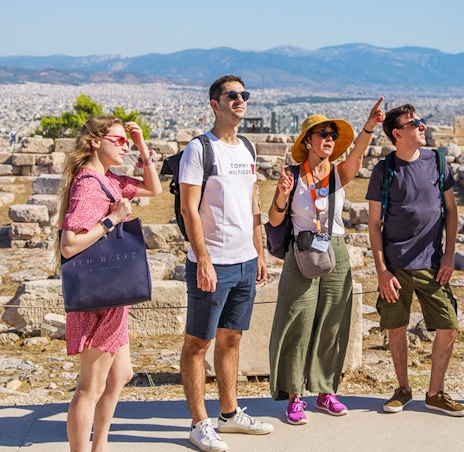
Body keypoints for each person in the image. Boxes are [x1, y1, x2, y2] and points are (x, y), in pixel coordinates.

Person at [269, 99, 385, 424]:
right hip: (302, 250)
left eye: (332, 133)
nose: (329, 138)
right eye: (322, 133)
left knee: (334, 320)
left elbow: (358, 155)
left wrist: (370, 125)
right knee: (297, 320)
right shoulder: (293, 175)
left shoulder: (337, 173)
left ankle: (324, 390)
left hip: (335, 247)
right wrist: (280, 196)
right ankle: (294, 396)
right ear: (308, 141)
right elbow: (275, 221)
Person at [179, 75, 274, 452]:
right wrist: (202, 258)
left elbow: (252, 205)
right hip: (212, 263)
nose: (240, 100)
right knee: (198, 343)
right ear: (214, 103)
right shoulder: (200, 149)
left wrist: (260, 253)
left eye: (244, 95)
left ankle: (229, 414)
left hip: (245, 262)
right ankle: (199, 423)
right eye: (231, 95)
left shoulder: (247, 147)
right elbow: (189, 207)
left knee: (232, 338)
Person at [58, 116, 162, 452]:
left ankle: (100, 446)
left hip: (112, 294)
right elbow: (69, 244)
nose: (125, 146)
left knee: (120, 375)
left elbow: (154, 188)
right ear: (94, 141)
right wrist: (112, 219)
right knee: (90, 385)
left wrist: (141, 142)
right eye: (118, 141)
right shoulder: (89, 185)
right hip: (98, 299)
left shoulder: (109, 179)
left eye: (125, 141)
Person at [366, 104, 463, 416]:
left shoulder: (437, 161)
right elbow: (373, 223)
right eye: (415, 123)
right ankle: (403, 388)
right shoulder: (384, 169)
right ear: (398, 133)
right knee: (397, 327)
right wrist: (381, 270)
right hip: (394, 266)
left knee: (448, 325)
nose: (422, 126)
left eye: (421, 121)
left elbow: (451, 211)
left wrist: (449, 255)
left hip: (434, 264)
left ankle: (435, 392)